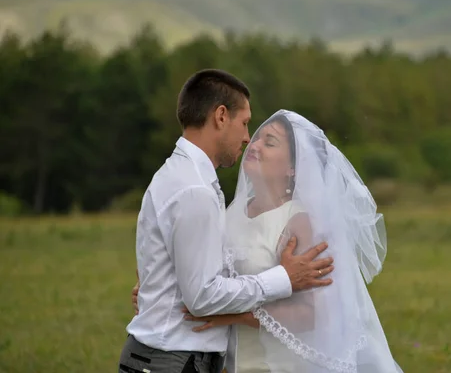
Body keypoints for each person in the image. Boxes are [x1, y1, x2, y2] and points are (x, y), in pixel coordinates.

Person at [154, 110, 404, 372]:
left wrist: (233, 316)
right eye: (257, 138)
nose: (255, 145)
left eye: (270, 142)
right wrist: (161, 287)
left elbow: (316, 314)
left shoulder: (299, 222)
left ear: (292, 167)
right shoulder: (228, 214)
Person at [119, 70, 334, 373]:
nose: (249, 139)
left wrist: (158, 291)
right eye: (245, 124)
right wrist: (284, 278)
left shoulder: (180, 176)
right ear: (221, 116)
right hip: (174, 359)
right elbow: (203, 297)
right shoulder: (195, 189)